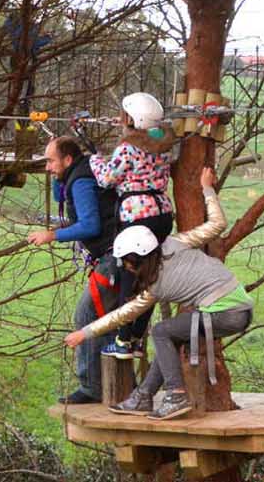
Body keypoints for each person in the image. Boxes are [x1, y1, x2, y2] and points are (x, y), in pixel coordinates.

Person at [62, 167, 254, 420]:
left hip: (226, 313)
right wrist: (207, 187)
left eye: (128, 263)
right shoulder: (175, 243)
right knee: (170, 336)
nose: (127, 268)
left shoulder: (154, 287)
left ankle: (175, 395)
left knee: (162, 331)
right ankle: (143, 396)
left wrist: (84, 333)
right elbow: (217, 224)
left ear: (137, 258)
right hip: (239, 307)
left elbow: (122, 314)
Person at [28, 136, 123, 405]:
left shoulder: (81, 182)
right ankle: (115, 385)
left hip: (111, 255)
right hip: (114, 254)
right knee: (107, 317)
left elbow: (90, 226)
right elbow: (64, 198)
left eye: (51, 161)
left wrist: (52, 236)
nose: (47, 167)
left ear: (68, 160)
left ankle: (92, 388)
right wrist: (59, 178)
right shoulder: (75, 177)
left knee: (87, 314)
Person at [86, 92, 178, 358]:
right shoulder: (162, 146)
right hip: (162, 215)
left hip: (138, 216)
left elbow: (107, 179)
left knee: (130, 278)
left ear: (132, 118)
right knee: (150, 278)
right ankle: (136, 338)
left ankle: (124, 341)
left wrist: (94, 160)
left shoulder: (128, 148)